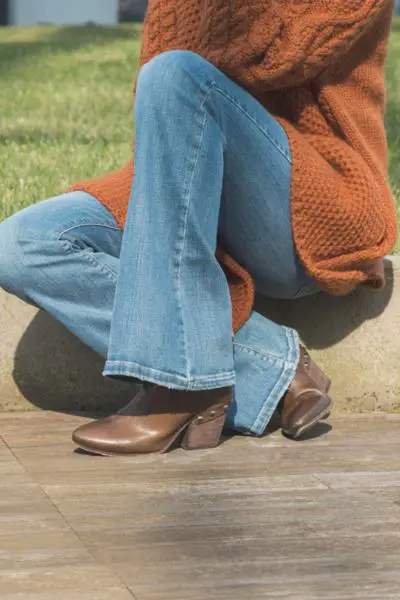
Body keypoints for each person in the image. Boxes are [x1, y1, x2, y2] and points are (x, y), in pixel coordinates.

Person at [0, 0, 397, 456]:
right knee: (22, 243)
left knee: (175, 75)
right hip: (200, 163)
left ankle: (181, 384)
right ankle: (273, 367)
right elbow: (161, 92)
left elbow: (273, 47)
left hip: (312, 202)